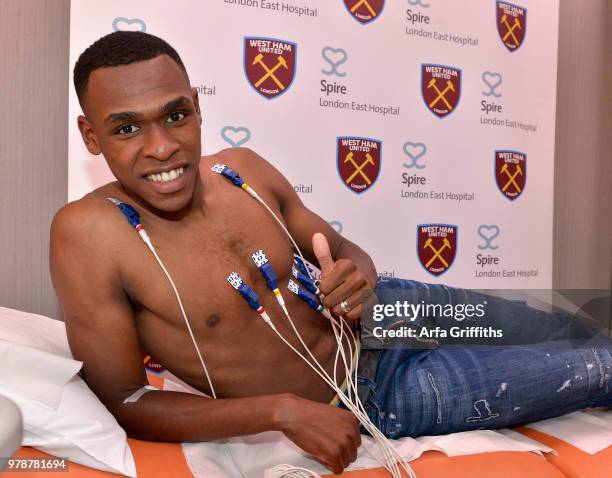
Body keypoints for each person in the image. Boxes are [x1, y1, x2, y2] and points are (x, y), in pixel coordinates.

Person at [50, 31, 612, 475]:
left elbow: (341, 248)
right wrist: (280, 411)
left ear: (197, 107)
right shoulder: (89, 235)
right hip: (374, 395)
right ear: (91, 136)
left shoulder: (241, 170)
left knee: (563, 326)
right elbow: (127, 400)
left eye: (175, 115)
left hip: (395, 309)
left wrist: (357, 278)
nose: (162, 147)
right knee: (598, 369)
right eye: (126, 128)